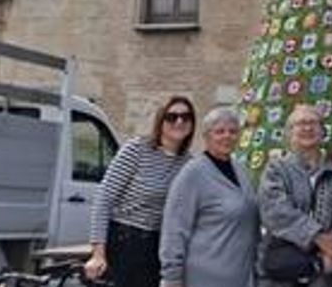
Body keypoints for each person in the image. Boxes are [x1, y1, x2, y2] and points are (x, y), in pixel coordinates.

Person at [85, 96, 195, 287]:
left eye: (186, 117)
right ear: (161, 121)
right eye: (172, 116)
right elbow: (104, 199)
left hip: (158, 245)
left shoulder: (189, 163)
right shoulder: (137, 150)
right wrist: (97, 254)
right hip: (125, 241)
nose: (179, 121)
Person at [159, 107, 261, 287]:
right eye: (219, 131)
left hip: (241, 275)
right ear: (206, 137)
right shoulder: (193, 173)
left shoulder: (241, 170)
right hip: (204, 277)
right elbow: (174, 228)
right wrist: (172, 277)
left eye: (232, 131)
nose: (227, 136)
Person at [258, 105, 332, 287]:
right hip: (285, 269)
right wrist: (316, 236)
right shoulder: (277, 169)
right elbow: (274, 210)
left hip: (326, 271)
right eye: (301, 123)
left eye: (313, 123)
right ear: (290, 133)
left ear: (322, 132)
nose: (307, 128)